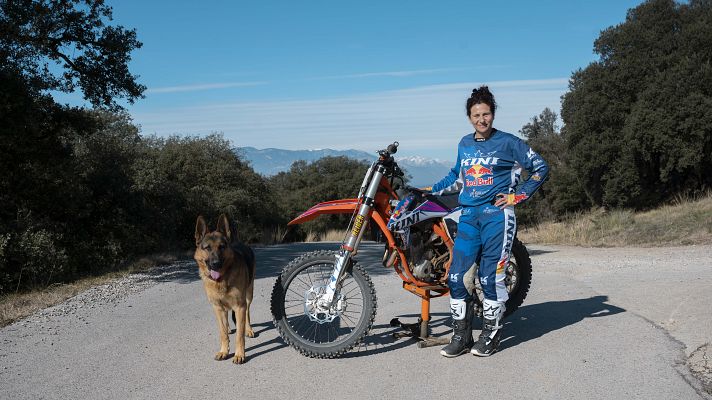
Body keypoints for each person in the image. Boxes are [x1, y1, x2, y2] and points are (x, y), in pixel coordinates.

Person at [431, 86, 549, 357]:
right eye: (476, 115)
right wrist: (429, 190)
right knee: (456, 277)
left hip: (497, 217)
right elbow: (456, 176)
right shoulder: (464, 143)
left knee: (489, 277)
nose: (481, 120)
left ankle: (491, 336)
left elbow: (540, 167)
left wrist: (516, 197)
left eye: (486, 114)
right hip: (468, 217)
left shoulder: (509, 142)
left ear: (493, 114)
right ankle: (461, 336)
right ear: (469, 117)